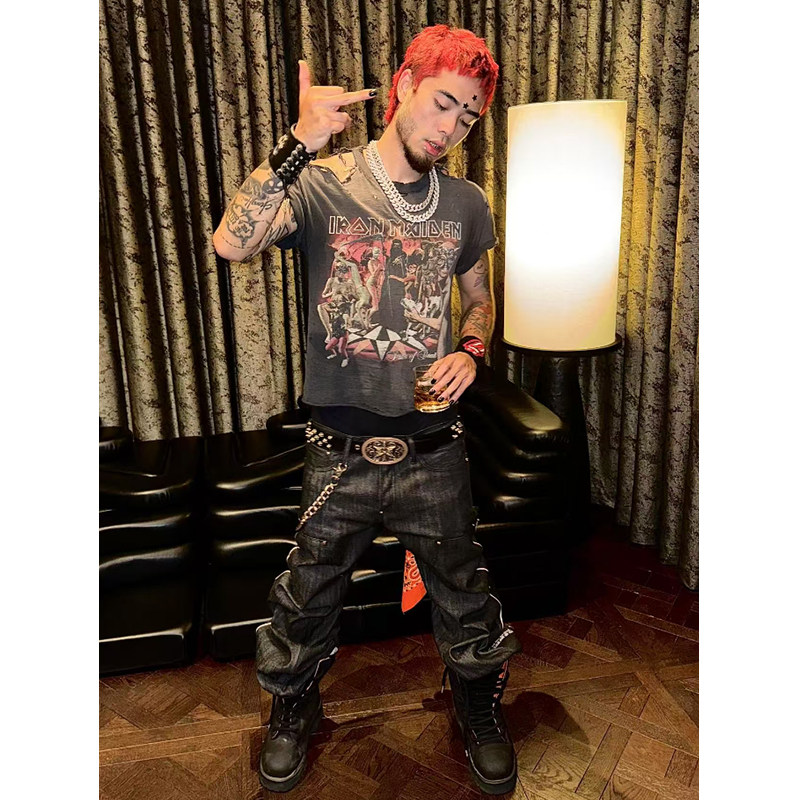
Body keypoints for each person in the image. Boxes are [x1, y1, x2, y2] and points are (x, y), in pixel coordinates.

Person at [213, 24, 523, 795]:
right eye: (443, 103)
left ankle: (475, 700)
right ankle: (294, 705)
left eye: (469, 116)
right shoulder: (323, 182)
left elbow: (480, 301)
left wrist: (471, 349)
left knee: (462, 585)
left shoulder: (466, 203)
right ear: (404, 86)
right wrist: (296, 143)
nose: (451, 127)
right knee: (308, 590)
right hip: (339, 448)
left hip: (434, 444)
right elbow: (231, 244)